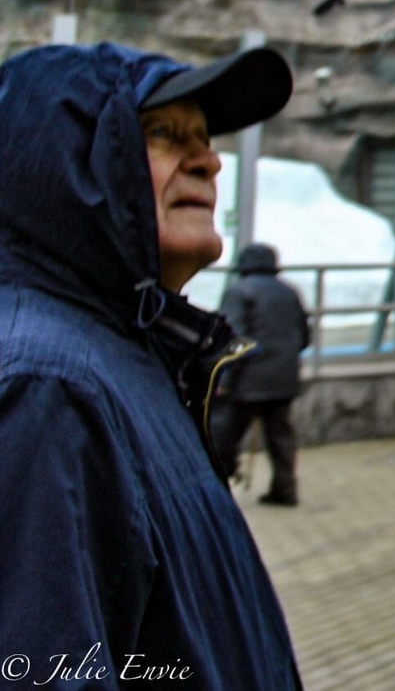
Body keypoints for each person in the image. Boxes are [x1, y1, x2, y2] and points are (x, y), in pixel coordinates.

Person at [0, 42, 303, 687]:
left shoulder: (122, 351)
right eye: (165, 134)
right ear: (60, 168)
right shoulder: (48, 387)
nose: (209, 159)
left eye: (205, 137)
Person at [215, 242, 310, 506]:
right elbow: (304, 335)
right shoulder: (289, 292)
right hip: (284, 378)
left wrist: (223, 379)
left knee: (225, 434)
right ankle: (285, 488)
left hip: (247, 380)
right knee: (280, 436)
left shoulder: (238, 291)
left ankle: (218, 491)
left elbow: (234, 339)